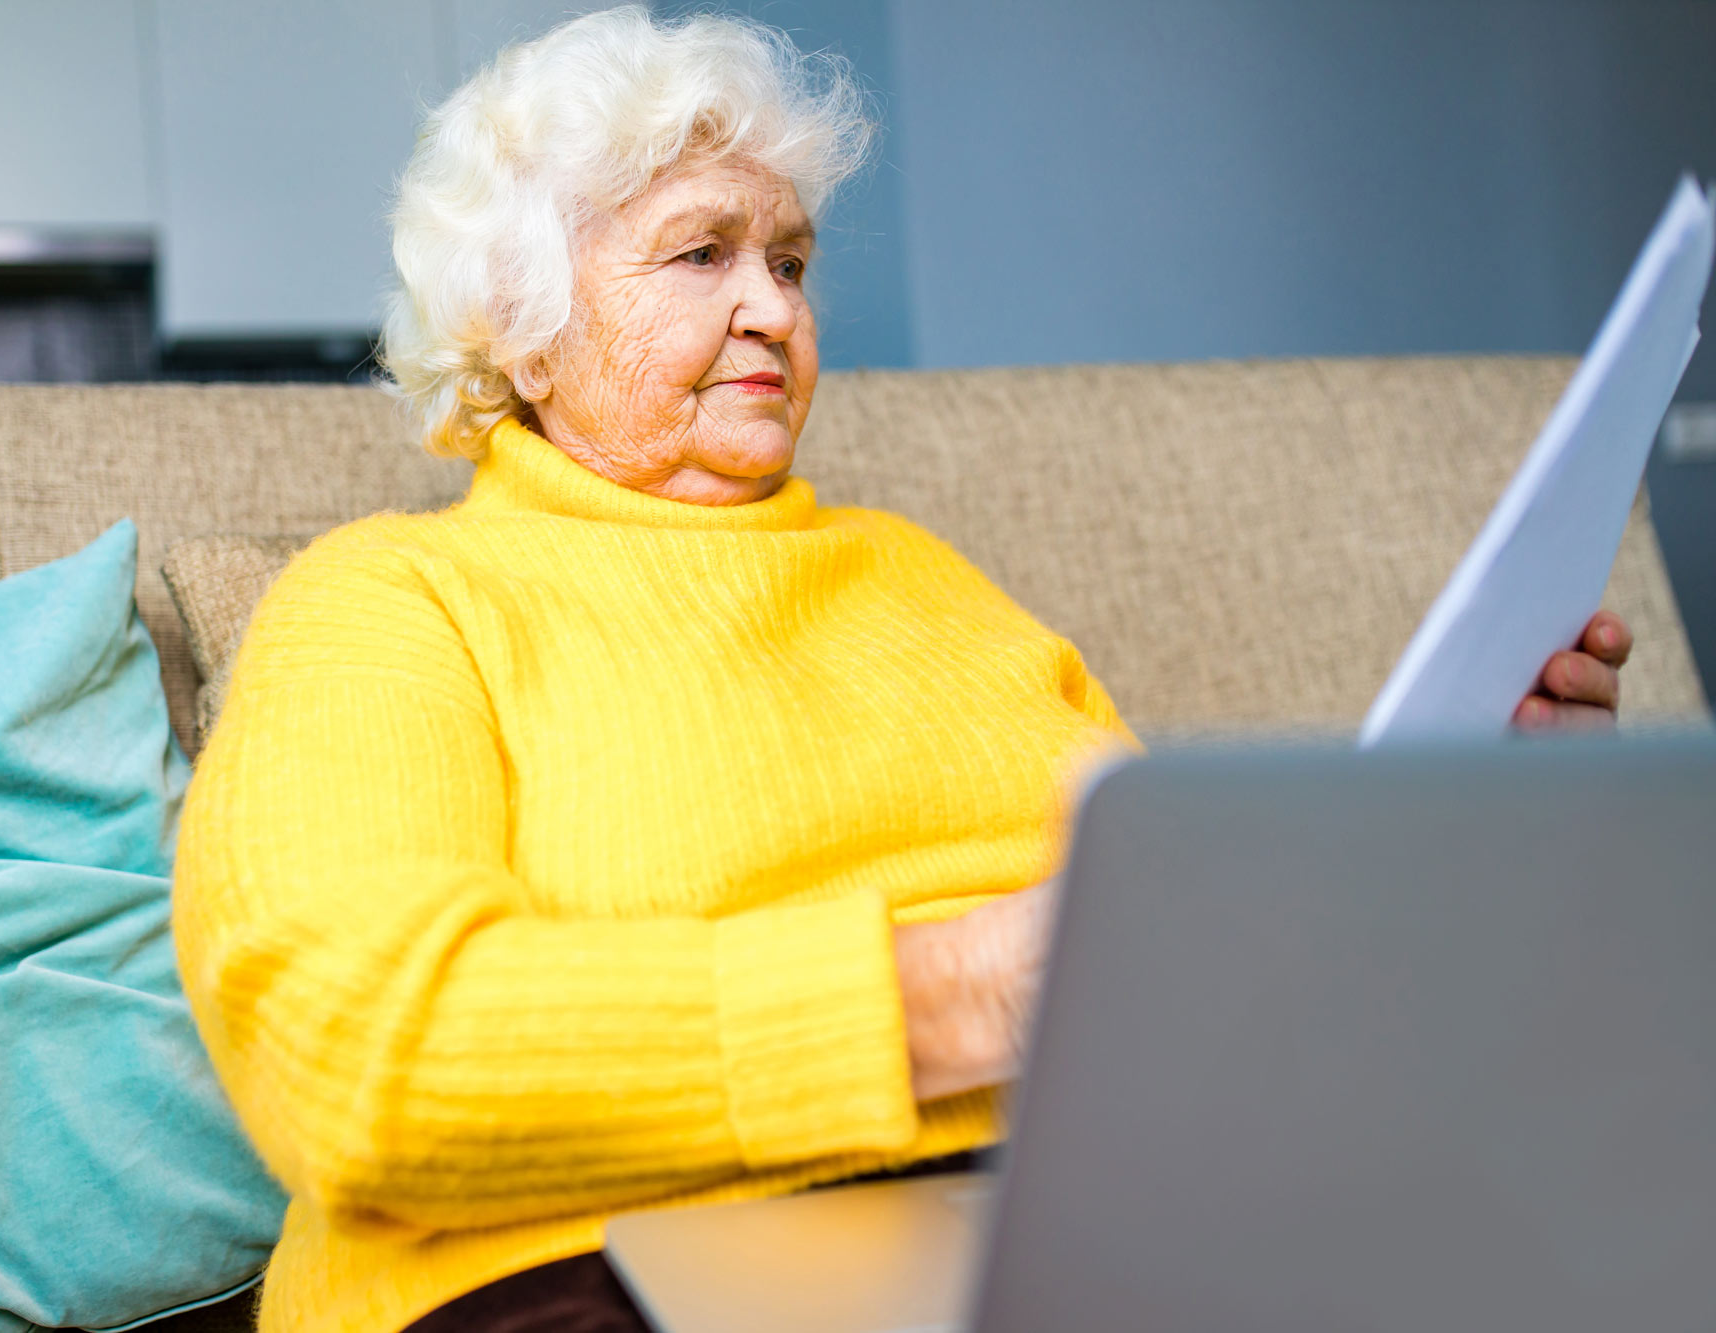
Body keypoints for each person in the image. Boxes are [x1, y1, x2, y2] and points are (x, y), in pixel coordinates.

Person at [171, 10, 1632, 1331]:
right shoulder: (391, 602)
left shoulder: (931, 583)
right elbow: (363, 1058)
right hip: (583, 1266)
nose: (777, 310)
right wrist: (964, 996)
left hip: (1093, 1214)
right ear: (521, 331)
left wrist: (1472, 855)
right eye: (702, 254)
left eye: (792, 261)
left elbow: (1197, 972)